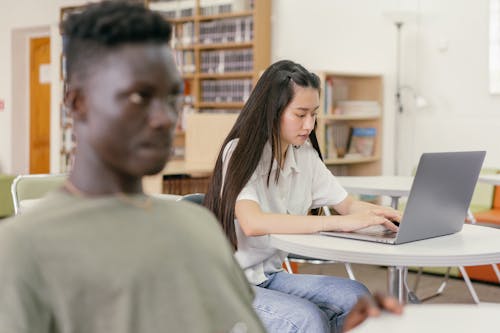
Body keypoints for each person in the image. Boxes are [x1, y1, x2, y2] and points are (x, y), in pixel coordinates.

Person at [0, 2, 264, 332]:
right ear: (77, 103)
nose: (166, 117)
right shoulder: (23, 248)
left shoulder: (199, 227)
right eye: (140, 96)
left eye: (172, 98)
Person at [205, 60, 402, 332]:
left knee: (357, 298)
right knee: (307, 319)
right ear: (272, 112)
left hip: (269, 277)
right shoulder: (239, 152)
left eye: (314, 114)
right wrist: (335, 223)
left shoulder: (305, 156)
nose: (309, 124)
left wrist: (388, 215)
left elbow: (346, 205)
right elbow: (253, 222)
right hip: (229, 285)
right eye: (300, 114)